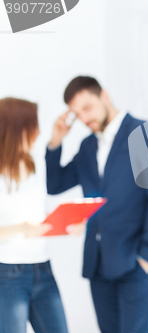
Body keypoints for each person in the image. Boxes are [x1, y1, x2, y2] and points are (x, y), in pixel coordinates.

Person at [45, 76, 148, 333]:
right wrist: (56, 141)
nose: (84, 118)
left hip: (134, 264)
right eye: (77, 113)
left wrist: (146, 257)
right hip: (98, 266)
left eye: (87, 108)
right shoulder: (87, 146)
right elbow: (55, 184)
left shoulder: (146, 133)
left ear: (104, 96)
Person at [0, 97, 69, 333]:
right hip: (8, 273)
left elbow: (40, 213)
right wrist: (22, 228)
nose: (38, 132)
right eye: (34, 125)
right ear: (17, 127)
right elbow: (24, 223)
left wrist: (67, 223)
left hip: (43, 269)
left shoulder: (34, 164)